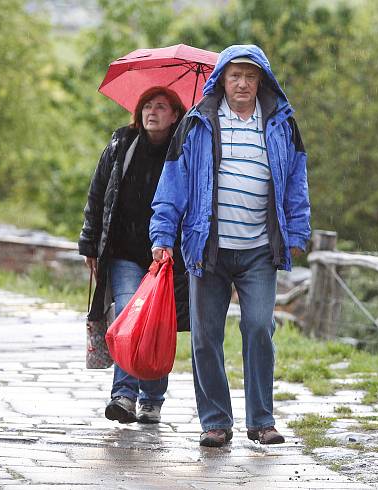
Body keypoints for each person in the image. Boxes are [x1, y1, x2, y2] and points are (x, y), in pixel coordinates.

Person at [149, 45, 311, 447]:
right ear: (221, 78)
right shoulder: (196, 123)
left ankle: (261, 421)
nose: (242, 83)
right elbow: (172, 184)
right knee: (205, 337)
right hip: (208, 249)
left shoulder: (282, 123)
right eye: (235, 75)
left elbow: (296, 180)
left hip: (259, 247)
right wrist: (162, 235)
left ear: (262, 81)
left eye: (250, 76)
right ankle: (216, 422)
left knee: (259, 327)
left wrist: (296, 232)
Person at [79, 86, 189, 425]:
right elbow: (99, 193)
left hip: (167, 257)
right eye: (147, 106)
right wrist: (89, 242)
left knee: (155, 324)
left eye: (161, 106)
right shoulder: (122, 144)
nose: (152, 112)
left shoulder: (184, 150)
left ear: (175, 116)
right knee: (129, 316)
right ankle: (124, 395)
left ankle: (152, 398)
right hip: (125, 252)